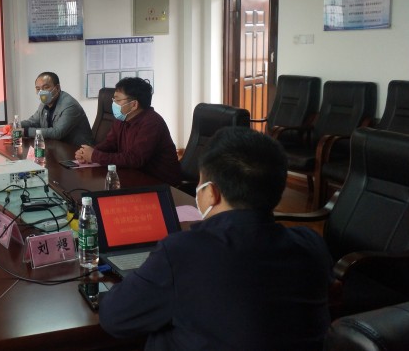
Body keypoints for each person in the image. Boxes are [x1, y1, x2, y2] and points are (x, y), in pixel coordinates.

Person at [99, 127, 333, 350]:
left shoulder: (182, 253)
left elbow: (114, 317)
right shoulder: (311, 245)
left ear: (211, 193)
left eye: (200, 183)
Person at [74, 77, 180, 185]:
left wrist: (95, 156)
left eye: (118, 100)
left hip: (160, 183)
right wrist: (88, 153)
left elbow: (135, 159)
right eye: (114, 99)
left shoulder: (152, 123)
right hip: (135, 175)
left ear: (134, 105)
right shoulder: (122, 118)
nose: (113, 103)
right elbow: (110, 143)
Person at [20, 71, 94, 146]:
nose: (41, 92)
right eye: (38, 89)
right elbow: (33, 121)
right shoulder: (44, 103)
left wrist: (25, 132)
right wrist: (16, 125)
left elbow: (57, 132)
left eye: (46, 87)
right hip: (57, 146)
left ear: (57, 88)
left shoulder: (70, 104)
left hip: (78, 149)